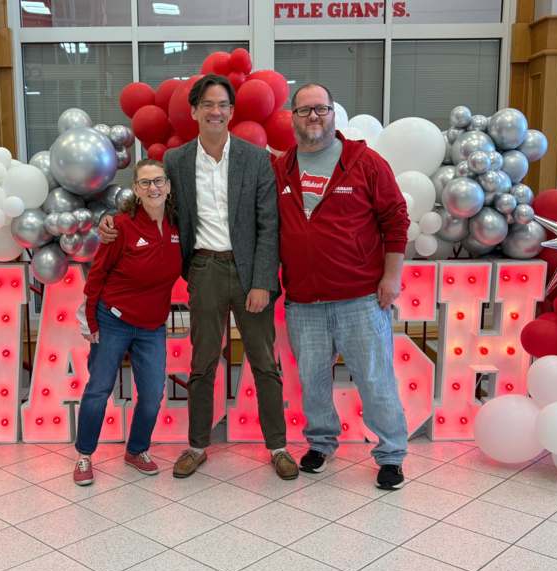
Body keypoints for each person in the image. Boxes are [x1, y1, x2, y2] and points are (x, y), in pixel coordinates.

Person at [100, 74, 298, 480]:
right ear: (193, 111)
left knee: (264, 361)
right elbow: (153, 205)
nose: (215, 111)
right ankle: (197, 445)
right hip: (204, 269)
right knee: (203, 363)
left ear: (231, 111)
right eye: (207, 104)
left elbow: (268, 226)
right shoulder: (175, 162)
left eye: (222, 104)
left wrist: (262, 281)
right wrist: (113, 222)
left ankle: (278, 446)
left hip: (249, 276)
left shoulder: (256, 159)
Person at [273, 83, 410, 489]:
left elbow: (395, 220)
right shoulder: (281, 168)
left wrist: (391, 276)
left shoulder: (365, 162)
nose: (313, 117)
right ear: (292, 117)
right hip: (304, 301)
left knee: (374, 378)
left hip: (360, 299)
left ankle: (391, 454)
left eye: (321, 109)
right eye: (304, 111)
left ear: (334, 114)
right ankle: (320, 443)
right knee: (313, 380)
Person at [72, 159, 181, 486]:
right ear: (135, 189)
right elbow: (97, 275)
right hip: (112, 320)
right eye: (145, 183)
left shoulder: (178, 227)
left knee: (151, 394)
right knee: (99, 389)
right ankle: (83, 456)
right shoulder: (120, 225)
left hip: (152, 326)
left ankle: (136, 450)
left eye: (158, 181)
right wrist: (91, 320)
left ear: (168, 186)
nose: (153, 188)